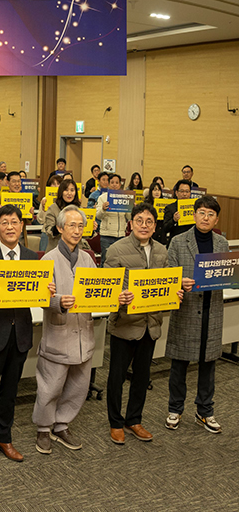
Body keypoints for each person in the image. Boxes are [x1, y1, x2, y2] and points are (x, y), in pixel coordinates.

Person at [33, 205, 121, 454]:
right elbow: (39, 297)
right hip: (58, 332)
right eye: (71, 225)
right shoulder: (48, 259)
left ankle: (62, 425)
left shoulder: (87, 258)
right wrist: (58, 301)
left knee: (78, 386)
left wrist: (113, 296)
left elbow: (97, 291)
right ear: (60, 228)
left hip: (84, 332)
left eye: (81, 226)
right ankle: (43, 428)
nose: (77, 230)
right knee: (50, 386)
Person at [0, 205, 51, 466]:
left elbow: (37, 294)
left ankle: (3, 437)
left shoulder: (31, 257)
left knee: (10, 391)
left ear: (21, 226)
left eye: (14, 222)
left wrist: (47, 290)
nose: (10, 227)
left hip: (20, 333)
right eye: (4, 222)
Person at [104, 202, 186, 445]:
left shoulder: (162, 250)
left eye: (149, 221)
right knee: (117, 377)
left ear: (155, 225)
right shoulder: (116, 249)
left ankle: (134, 420)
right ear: (131, 223)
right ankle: (115, 423)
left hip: (151, 324)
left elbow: (167, 281)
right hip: (125, 323)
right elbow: (108, 286)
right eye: (139, 220)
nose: (144, 225)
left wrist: (175, 291)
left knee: (142, 376)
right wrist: (119, 295)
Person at [165, 196, 227, 434]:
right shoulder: (178, 241)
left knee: (208, 364)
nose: (206, 218)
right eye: (202, 213)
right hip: (187, 309)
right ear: (194, 215)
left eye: (211, 214)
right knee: (179, 364)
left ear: (216, 219)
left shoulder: (221, 243)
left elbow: (226, 273)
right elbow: (168, 274)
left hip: (212, 310)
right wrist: (178, 281)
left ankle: (205, 411)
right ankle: (175, 408)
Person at [95, 173, 129, 265]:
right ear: (108, 184)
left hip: (121, 235)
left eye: (117, 183)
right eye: (112, 182)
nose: (114, 184)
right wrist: (103, 209)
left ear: (120, 184)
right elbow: (98, 216)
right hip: (107, 235)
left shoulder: (125, 197)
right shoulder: (102, 198)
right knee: (106, 261)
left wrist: (131, 209)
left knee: (120, 262)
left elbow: (129, 218)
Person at [42, 180, 85, 252]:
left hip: (76, 250)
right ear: (61, 192)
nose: (69, 193)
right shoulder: (53, 208)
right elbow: (49, 231)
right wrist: (60, 227)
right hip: (56, 248)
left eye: (72, 190)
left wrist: (91, 229)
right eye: (66, 190)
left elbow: (83, 233)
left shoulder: (79, 209)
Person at [159, 179, 194, 245]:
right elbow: (165, 228)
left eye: (187, 191)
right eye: (182, 191)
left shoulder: (194, 208)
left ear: (190, 193)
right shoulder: (170, 208)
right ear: (176, 193)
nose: (184, 194)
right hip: (175, 243)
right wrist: (173, 220)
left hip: (190, 242)